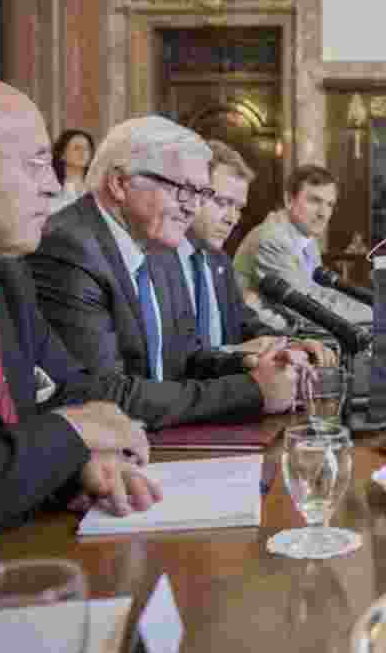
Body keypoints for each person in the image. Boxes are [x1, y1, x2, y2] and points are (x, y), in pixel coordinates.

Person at [0, 73, 166, 551]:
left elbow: (67, 393)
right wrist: (71, 434)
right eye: (37, 163)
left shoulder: (5, 275)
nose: (53, 185)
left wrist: (76, 463)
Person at [27, 116, 306, 427]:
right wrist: (252, 391)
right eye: (183, 190)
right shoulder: (68, 248)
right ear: (120, 183)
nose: (192, 207)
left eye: (201, 194)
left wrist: (253, 364)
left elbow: (184, 360)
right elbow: (102, 397)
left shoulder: (160, 246)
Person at [172, 140, 337, 365]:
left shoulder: (217, 261)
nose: (232, 218)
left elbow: (245, 322)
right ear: (191, 193)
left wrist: (287, 344)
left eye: (238, 207)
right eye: (222, 202)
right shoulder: (158, 261)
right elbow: (177, 361)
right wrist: (236, 353)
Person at [233, 164, 372, 325]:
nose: (323, 213)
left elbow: (320, 294)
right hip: (260, 338)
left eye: (330, 204)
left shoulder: (306, 239)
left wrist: (372, 305)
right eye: (315, 201)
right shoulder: (272, 239)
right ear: (289, 200)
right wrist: (375, 313)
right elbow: (306, 309)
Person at [51, 129, 95, 213]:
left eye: (87, 148)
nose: (83, 152)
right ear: (62, 154)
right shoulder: (52, 189)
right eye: (76, 148)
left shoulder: (96, 187)